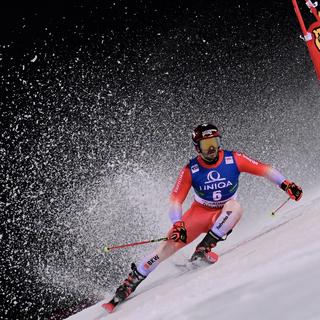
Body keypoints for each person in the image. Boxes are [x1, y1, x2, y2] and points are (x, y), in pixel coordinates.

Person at [107, 123, 303, 305]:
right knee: (165, 248)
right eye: (206, 144)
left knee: (235, 207)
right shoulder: (191, 169)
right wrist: (178, 224)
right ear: (197, 148)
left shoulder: (232, 158)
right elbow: (175, 200)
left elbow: (263, 169)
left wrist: (286, 185)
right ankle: (128, 284)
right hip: (198, 214)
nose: (212, 149)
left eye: (215, 143)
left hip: (223, 213)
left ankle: (202, 249)